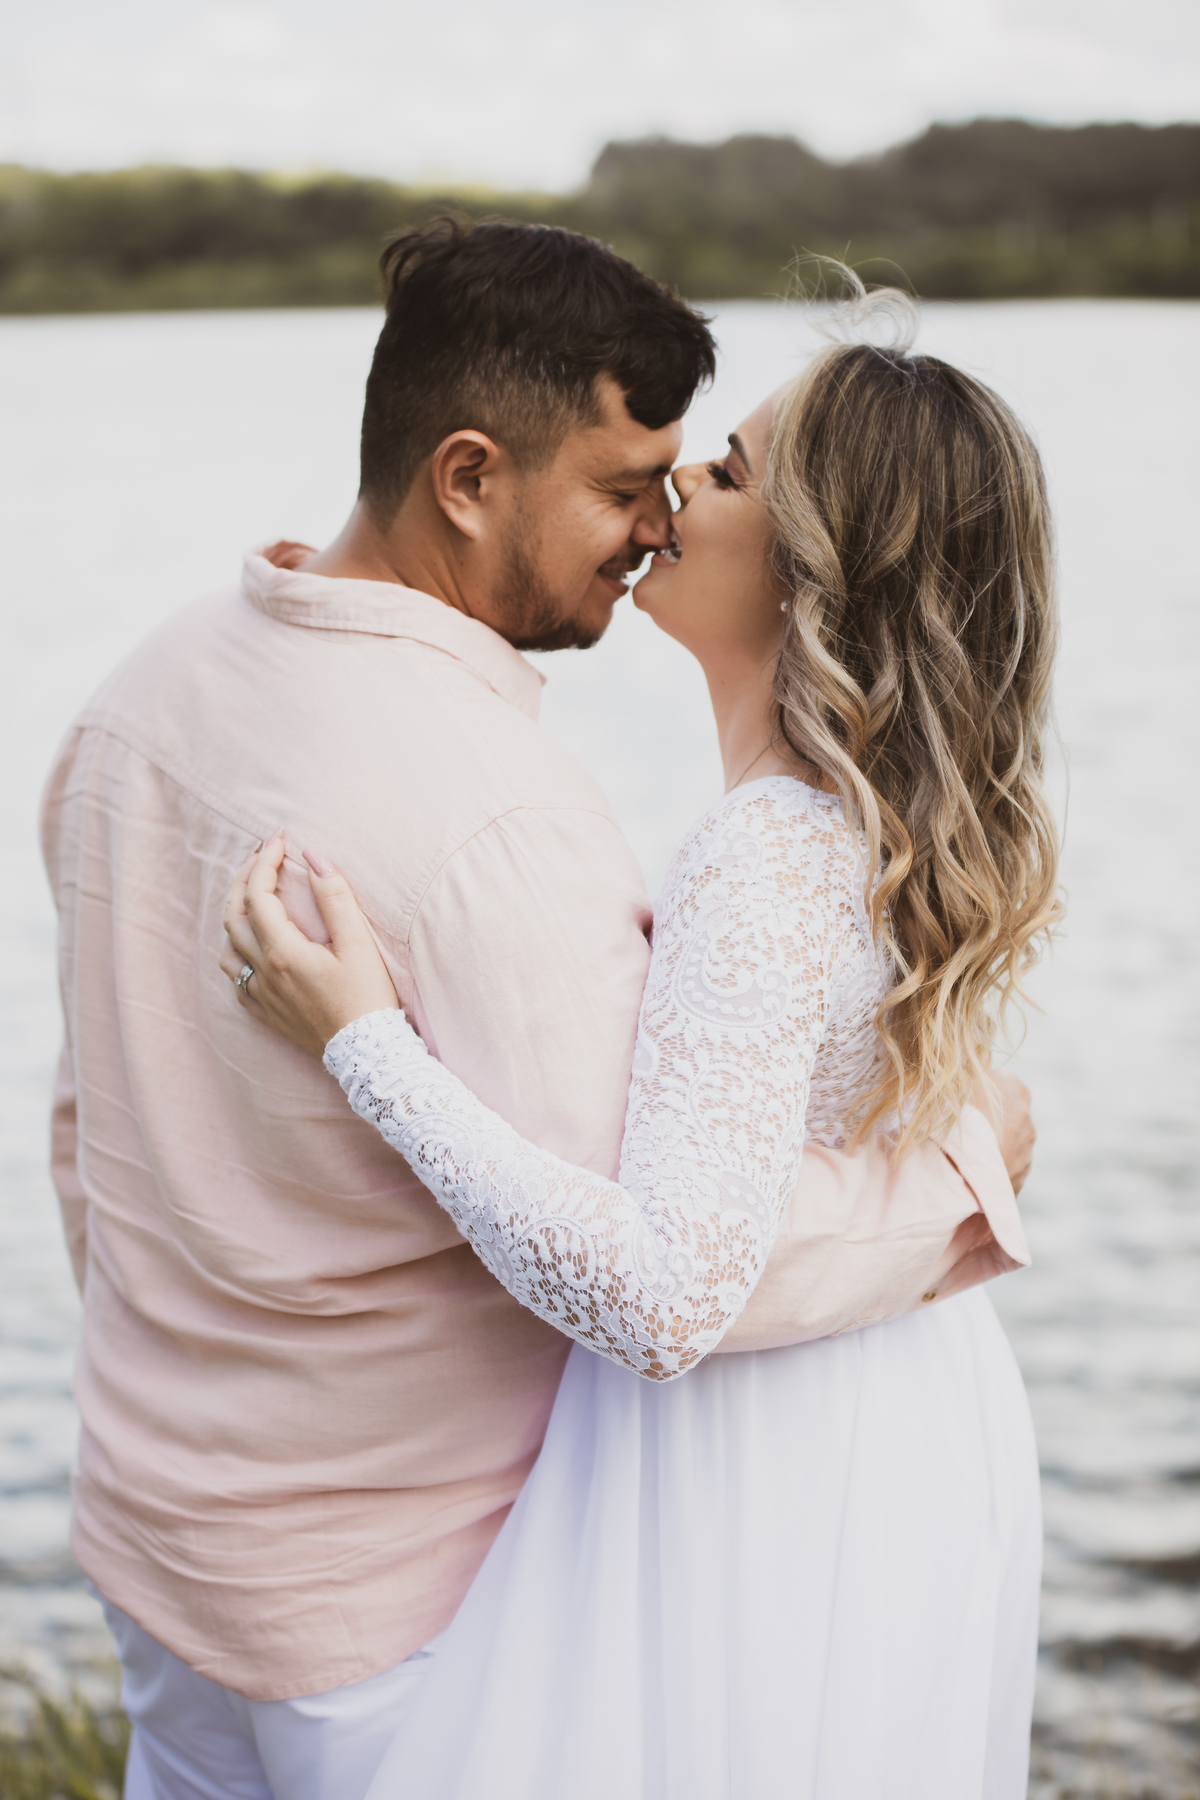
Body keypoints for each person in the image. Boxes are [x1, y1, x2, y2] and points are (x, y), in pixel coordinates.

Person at [43, 222, 1029, 1800]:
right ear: (467, 477)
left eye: (694, 476)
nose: (657, 520)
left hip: (159, 1543)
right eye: (627, 484)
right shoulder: (503, 823)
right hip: (403, 1604)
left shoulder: (140, 693)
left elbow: (88, 1136)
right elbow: (673, 1275)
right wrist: (957, 1184)